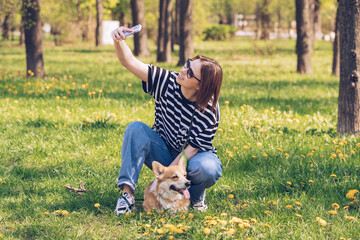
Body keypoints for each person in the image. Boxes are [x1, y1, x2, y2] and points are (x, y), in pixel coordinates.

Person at [112, 26, 223, 215]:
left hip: (192, 160)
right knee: (135, 129)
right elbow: (129, 61)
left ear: (200, 86)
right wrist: (118, 40)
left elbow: (189, 153)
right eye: (188, 63)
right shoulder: (166, 81)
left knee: (208, 168)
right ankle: (127, 196)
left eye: (190, 72)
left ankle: (194, 197)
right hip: (163, 150)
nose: (183, 69)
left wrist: (171, 178)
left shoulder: (209, 110)